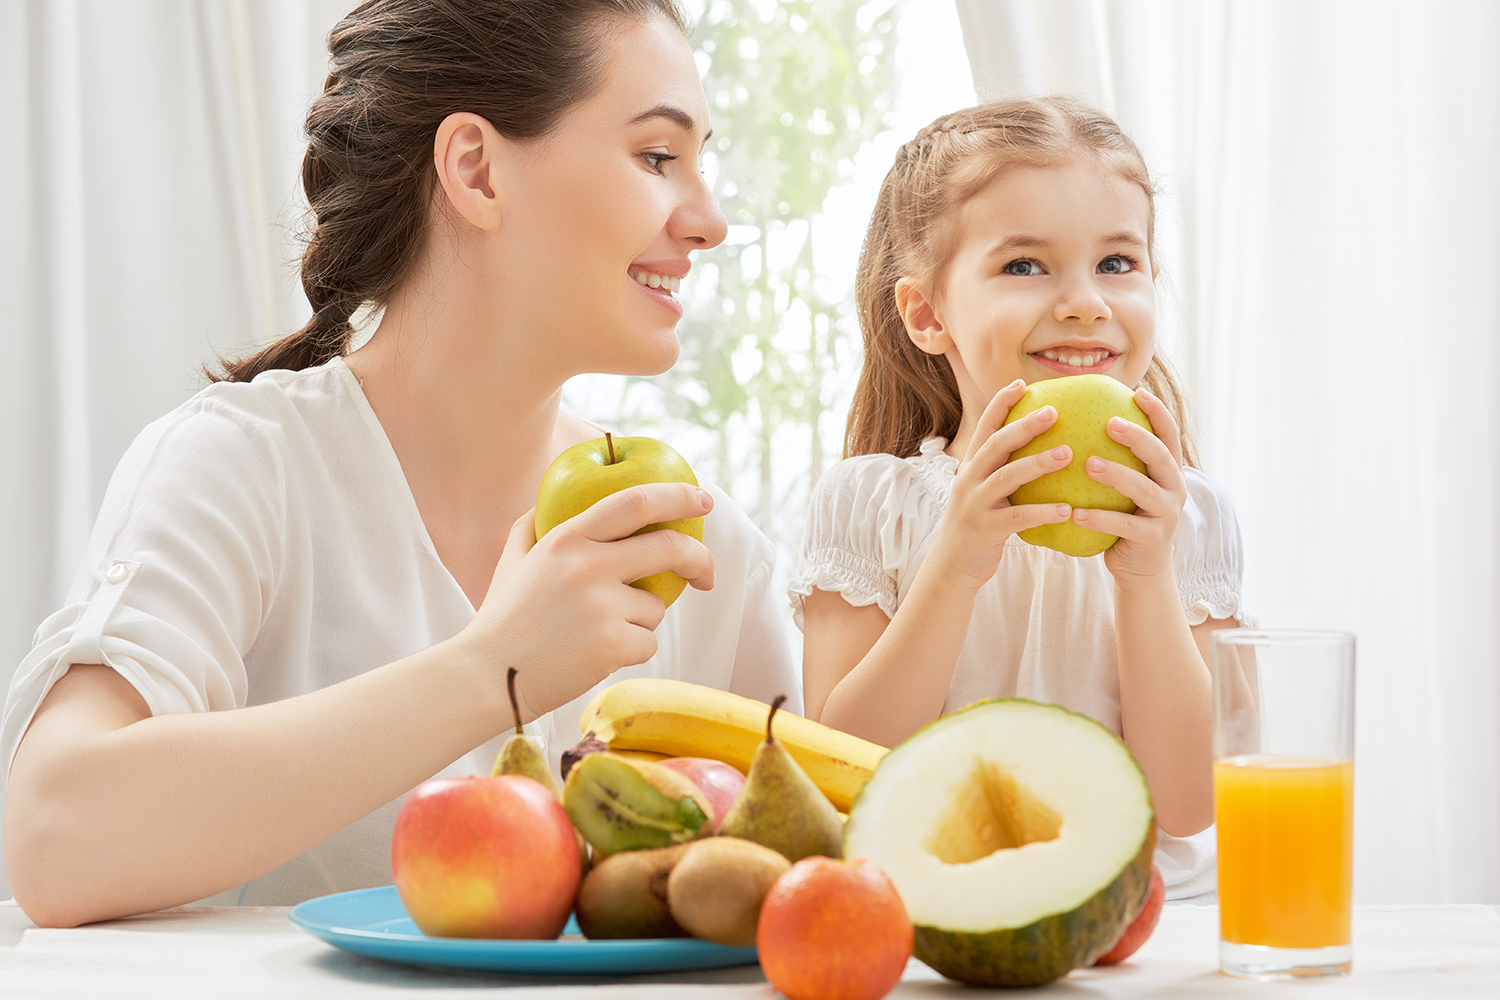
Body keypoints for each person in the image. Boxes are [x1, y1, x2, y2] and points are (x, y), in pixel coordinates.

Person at [2, 0, 798, 927]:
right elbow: (56, 838)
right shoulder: (245, 468)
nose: (710, 220)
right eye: (659, 157)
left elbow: (824, 881)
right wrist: (487, 670)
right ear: (476, 170)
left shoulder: (705, 550)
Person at [789, 97, 1247, 902]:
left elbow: (1187, 803)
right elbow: (843, 775)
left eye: (1117, 263)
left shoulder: (1190, 517)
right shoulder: (870, 507)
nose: (1085, 302)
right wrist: (955, 565)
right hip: (936, 914)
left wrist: (1146, 576)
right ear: (927, 314)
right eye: (1025, 266)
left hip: (1146, 929)